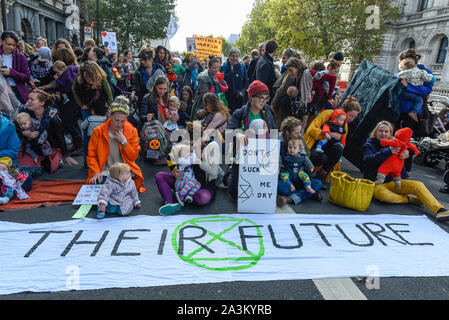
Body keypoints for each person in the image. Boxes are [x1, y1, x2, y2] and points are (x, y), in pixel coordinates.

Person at [361, 120, 449, 222]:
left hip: (395, 181)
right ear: (375, 132)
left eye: (386, 131)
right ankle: (408, 199)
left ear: (390, 133)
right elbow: (368, 160)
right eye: (380, 131)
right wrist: (387, 151)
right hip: (377, 183)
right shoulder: (369, 144)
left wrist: (408, 152)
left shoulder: (397, 142)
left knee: (418, 185)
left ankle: (440, 210)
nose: (383, 134)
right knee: (381, 195)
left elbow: (412, 149)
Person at [225, 80, 277, 199]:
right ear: (252, 97)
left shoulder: (267, 111)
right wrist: (238, 133)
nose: (263, 101)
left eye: (266, 98)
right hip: (243, 156)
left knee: (266, 189)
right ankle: (229, 174)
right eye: (260, 98)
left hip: (263, 155)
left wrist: (276, 162)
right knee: (235, 194)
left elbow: (274, 132)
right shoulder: (240, 113)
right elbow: (228, 131)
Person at [156, 121, 221, 215]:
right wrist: (174, 170)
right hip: (184, 180)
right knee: (159, 176)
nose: (190, 146)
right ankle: (170, 203)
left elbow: (214, 172)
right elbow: (170, 156)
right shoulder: (185, 143)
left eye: (192, 143)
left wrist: (198, 161)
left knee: (202, 198)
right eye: (189, 143)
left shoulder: (212, 146)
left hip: (202, 185)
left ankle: (179, 195)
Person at [87, 96, 145, 192]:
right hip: (104, 172)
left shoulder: (132, 131)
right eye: (116, 120)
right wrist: (96, 172)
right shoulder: (98, 131)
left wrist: (124, 142)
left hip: (123, 173)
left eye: (122, 121)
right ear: (110, 116)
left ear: (126, 118)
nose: (119, 124)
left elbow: (133, 157)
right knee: (102, 197)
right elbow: (91, 156)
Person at [303, 95, 361, 186]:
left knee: (338, 150)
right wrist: (327, 135)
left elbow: (342, 142)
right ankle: (305, 174)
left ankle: (321, 175)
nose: (352, 119)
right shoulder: (328, 113)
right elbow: (311, 130)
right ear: (343, 111)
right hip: (315, 145)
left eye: (354, 117)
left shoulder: (344, 124)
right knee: (322, 157)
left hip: (328, 148)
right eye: (351, 115)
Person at [19, 89, 78, 169]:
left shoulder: (53, 116)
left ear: (42, 103)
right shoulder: (24, 110)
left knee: (49, 167)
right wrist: (24, 132)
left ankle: (55, 157)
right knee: (26, 167)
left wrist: (65, 155)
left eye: (32, 99)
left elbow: (59, 137)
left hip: (50, 146)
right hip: (32, 146)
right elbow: (15, 126)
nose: (28, 102)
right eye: (28, 98)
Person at [396, 48, 434, 132]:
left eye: (401, 61)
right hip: (396, 110)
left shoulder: (425, 72)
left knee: (407, 138)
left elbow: (426, 91)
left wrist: (408, 86)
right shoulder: (401, 73)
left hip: (412, 112)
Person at [277, 138, 322, 207]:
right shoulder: (283, 155)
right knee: (278, 186)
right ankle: (309, 194)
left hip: (299, 179)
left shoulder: (302, 156)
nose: (292, 149)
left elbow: (308, 162)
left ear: (299, 150)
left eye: (294, 148)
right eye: (290, 147)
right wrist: (278, 170)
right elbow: (279, 165)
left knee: (318, 183)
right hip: (287, 181)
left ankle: (289, 199)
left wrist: (311, 168)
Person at [270, 57, 311, 129]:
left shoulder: (306, 76)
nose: (289, 73)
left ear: (298, 68)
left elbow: (283, 87)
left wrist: (273, 103)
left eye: (291, 70)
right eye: (288, 71)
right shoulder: (299, 76)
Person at [0, 31, 30, 104]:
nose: (11, 47)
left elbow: (27, 77)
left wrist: (11, 72)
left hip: (17, 92)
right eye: (9, 44)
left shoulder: (20, 57)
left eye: (14, 45)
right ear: (2, 41)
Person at [131, 49, 165, 113]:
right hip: (144, 100)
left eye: (144, 60)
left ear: (151, 59)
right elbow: (135, 84)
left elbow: (165, 81)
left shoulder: (159, 68)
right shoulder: (139, 71)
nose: (142, 62)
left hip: (158, 99)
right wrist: (133, 93)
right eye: (141, 60)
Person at [221, 47, 247, 113]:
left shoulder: (241, 67)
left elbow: (245, 82)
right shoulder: (223, 67)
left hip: (239, 99)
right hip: (227, 98)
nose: (235, 58)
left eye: (236, 56)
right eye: (233, 56)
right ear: (229, 56)